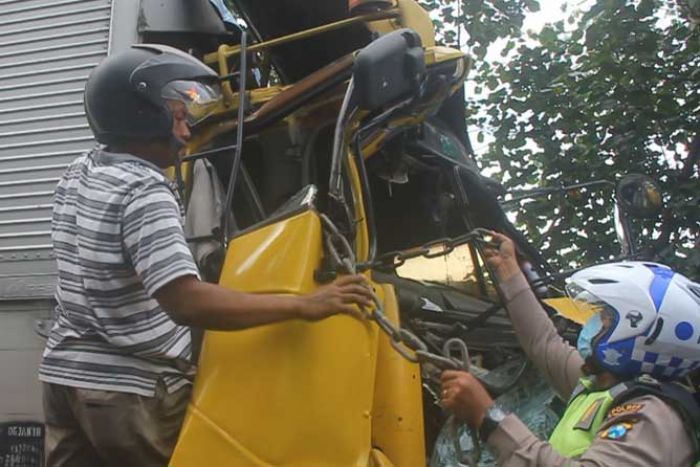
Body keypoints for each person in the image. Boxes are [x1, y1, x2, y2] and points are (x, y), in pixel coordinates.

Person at [38, 44, 373, 467]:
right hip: (129, 391)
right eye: (178, 118)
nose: (185, 133)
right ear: (139, 114)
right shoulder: (144, 190)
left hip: (64, 378)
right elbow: (186, 302)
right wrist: (305, 305)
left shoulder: (80, 171)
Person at [440, 231, 700, 465]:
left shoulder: (652, 416)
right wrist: (509, 271)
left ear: (639, 335)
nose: (593, 323)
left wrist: (489, 418)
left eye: (606, 317)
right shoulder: (599, 387)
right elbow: (543, 342)